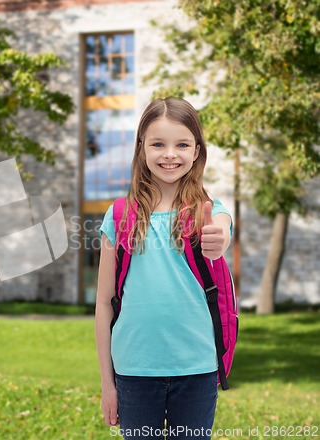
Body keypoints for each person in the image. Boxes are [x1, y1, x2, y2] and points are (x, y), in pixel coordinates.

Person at [95, 97, 233, 439]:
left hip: (197, 368)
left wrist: (219, 238)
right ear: (142, 148)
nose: (170, 154)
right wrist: (107, 384)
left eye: (182, 144)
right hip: (133, 371)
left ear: (197, 150)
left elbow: (222, 226)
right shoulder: (118, 216)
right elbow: (103, 304)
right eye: (158, 144)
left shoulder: (207, 211)